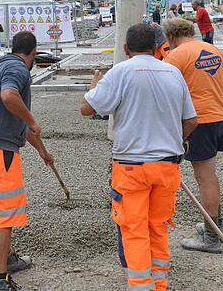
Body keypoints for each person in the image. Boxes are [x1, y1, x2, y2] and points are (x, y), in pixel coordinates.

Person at [80, 23, 198, 291]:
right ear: (157, 47)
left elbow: (87, 108)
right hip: (166, 166)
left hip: (131, 167)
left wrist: (93, 87)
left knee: (133, 230)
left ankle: (141, 286)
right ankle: (159, 285)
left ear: (125, 48)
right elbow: (191, 120)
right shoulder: (172, 73)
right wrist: (174, 140)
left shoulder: (120, 72)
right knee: (158, 227)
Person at [0, 31, 54, 291]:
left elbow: (14, 118)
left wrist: (42, 151)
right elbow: (9, 97)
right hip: (0, 153)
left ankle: (7, 258)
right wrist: (32, 119)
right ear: (32, 53)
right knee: (5, 217)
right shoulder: (18, 68)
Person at [163, 18, 223, 254]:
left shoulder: (177, 56)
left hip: (199, 121)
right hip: (219, 118)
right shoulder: (212, 50)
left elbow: (165, 92)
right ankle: (213, 225)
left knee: (205, 177)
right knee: (209, 175)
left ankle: (212, 237)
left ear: (170, 37)